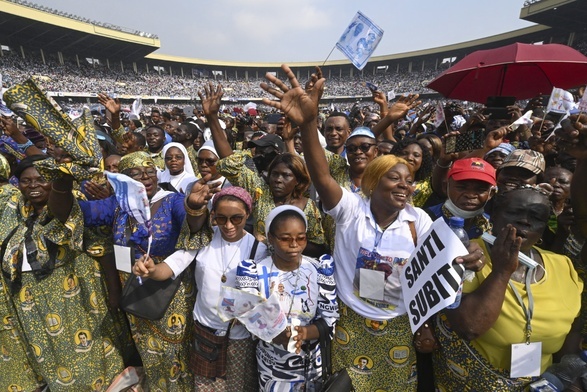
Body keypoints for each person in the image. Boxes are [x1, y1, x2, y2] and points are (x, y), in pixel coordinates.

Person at [260, 64, 483, 392]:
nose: (405, 186)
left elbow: (439, 272)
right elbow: (321, 176)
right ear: (375, 181)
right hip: (351, 322)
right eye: (395, 178)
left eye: (408, 181)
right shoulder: (350, 208)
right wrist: (308, 122)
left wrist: (468, 259)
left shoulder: (418, 221)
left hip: (398, 326)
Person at [80, 151, 215, 391]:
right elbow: (84, 213)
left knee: (174, 353)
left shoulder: (172, 200)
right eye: (136, 174)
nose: (146, 178)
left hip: (169, 291)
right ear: (123, 179)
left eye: (150, 171)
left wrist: (194, 207)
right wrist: (58, 185)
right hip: (135, 288)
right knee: (148, 351)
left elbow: (193, 226)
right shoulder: (118, 205)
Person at [433, 185, 582, 391]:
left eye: (536, 216)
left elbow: (573, 331)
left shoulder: (562, 266)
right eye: (514, 212)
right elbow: (470, 327)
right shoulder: (466, 255)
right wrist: (502, 271)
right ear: (493, 215)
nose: (524, 221)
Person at [0, 156, 126, 391]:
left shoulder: (73, 205)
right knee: (48, 348)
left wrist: (114, 291)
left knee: (86, 347)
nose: (33, 185)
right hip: (30, 297)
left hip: (75, 292)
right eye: (26, 181)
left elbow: (104, 250)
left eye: (40, 179)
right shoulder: (15, 211)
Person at [139, 186, 267, 391]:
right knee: (205, 386)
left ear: (247, 215)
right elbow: (173, 265)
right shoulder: (205, 239)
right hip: (205, 329)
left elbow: (263, 294)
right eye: (221, 218)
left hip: (238, 335)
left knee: (237, 386)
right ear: (213, 216)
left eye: (236, 218)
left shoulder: (258, 250)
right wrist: (152, 270)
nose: (228, 225)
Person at [199, 83, 327, 256]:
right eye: (275, 174)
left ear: (298, 180)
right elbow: (229, 160)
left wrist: (279, 243)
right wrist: (212, 117)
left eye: (286, 176)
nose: (278, 179)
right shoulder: (260, 192)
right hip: (257, 267)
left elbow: (319, 247)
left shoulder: (309, 207)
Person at [236, 205, 338, 391]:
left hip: (312, 368)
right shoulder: (256, 273)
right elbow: (249, 320)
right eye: (285, 239)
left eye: (301, 238)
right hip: (272, 370)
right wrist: (276, 336)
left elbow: (329, 321)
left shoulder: (318, 270)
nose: (294, 245)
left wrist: (303, 333)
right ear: (271, 239)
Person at [426, 157, 496, 239]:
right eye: (462, 187)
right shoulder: (427, 218)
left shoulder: (489, 224)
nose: (470, 195)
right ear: (446, 187)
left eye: (480, 190)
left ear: (490, 194)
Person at [390, 138, 434, 207]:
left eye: (416, 155)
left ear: (423, 160)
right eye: (404, 153)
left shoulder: (428, 184)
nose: (410, 158)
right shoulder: (385, 178)